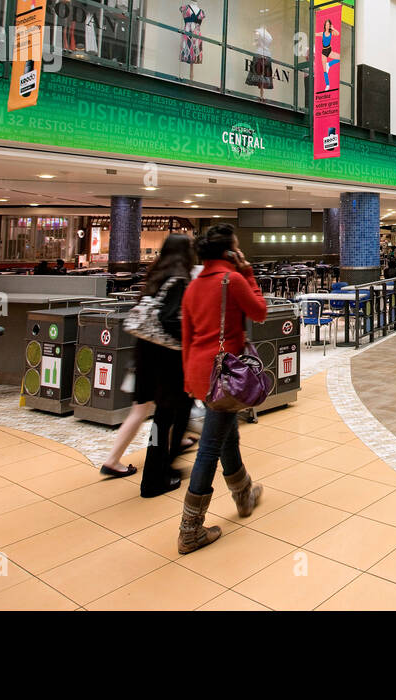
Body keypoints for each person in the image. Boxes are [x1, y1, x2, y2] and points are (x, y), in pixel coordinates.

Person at [176, 224, 268, 554]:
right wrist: (248, 272)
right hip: (226, 374)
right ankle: (190, 529)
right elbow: (259, 311)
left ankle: (244, 495)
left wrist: (190, 380)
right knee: (211, 446)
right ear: (229, 252)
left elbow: (186, 338)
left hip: (201, 372)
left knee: (228, 434)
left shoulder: (192, 287)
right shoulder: (233, 280)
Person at [100, 233, 197, 495]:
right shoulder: (179, 280)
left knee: (148, 411)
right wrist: (191, 338)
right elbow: (170, 320)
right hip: (167, 355)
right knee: (170, 413)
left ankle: (155, 467)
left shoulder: (154, 276)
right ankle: (158, 475)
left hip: (144, 351)